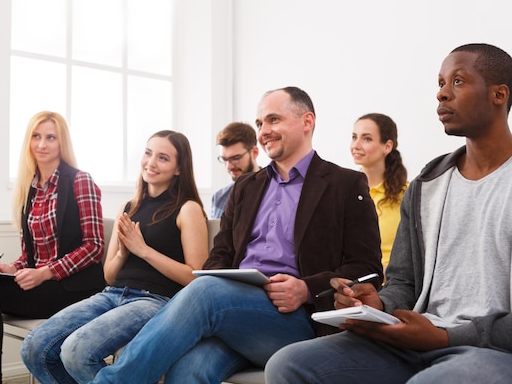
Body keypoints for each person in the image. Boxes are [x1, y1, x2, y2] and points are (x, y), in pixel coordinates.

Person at [93, 86, 383, 384]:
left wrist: (305, 289)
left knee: (207, 292)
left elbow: (368, 270)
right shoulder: (246, 186)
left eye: (273, 120)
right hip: (233, 311)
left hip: (296, 319)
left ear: (307, 121)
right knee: (188, 371)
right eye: (259, 124)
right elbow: (220, 255)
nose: (264, 130)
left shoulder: (344, 185)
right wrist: (228, 278)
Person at [264, 43, 512, 384]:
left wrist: (446, 337)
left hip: (491, 350)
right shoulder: (429, 182)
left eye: (458, 82)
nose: (441, 95)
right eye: (440, 84)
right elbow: (403, 281)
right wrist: (377, 303)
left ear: (499, 94)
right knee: (289, 364)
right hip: (414, 339)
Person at [21, 130, 209, 384]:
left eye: (163, 158)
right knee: (34, 347)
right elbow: (109, 275)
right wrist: (123, 251)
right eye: (148, 153)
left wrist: (143, 250)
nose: (151, 162)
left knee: (76, 352)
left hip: (156, 301)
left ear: (178, 168)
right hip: (111, 294)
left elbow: (195, 277)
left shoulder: (188, 209)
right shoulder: (127, 207)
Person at [0, 111, 106, 384]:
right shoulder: (31, 188)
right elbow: (30, 256)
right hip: (44, 285)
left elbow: (94, 246)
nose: (42, 144)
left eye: (50, 137)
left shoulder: (80, 181)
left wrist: (46, 272)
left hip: (75, 288)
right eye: (36, 136)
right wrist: (10, 267)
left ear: (62, 143)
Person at [351, 113, 408, 276]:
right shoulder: (344, 192)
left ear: (387, 146)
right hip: (352, 284)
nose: (356, 145)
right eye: (354, 137)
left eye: (366, 139)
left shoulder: (407, 194)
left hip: (393, 285)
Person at [211, 122, 261, 218]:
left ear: (254, 153)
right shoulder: (219, 198)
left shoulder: (273, 190)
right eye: (224, 159)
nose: (229, 166)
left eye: (236, 158)